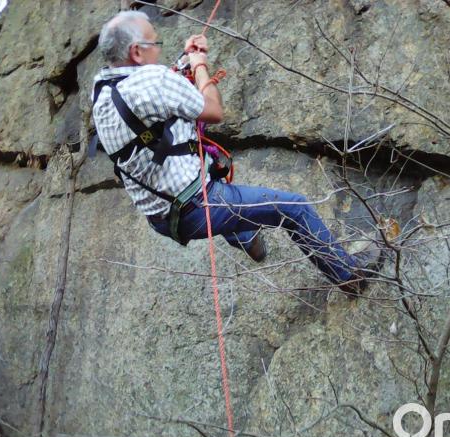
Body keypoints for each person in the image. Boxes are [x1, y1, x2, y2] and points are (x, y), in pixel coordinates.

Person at [90, 11, 380, 292]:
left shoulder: (102, 90)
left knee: (221, 186)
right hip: (199, 207)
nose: (158, 50)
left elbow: (151, 95)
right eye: (155, 44)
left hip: (160, 217)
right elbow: (214, 111)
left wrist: (185, 61)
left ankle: (246, 237)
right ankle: (349, 277)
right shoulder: (154, 80)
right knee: (296, 208)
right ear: (137, 52)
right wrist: (201, 66)